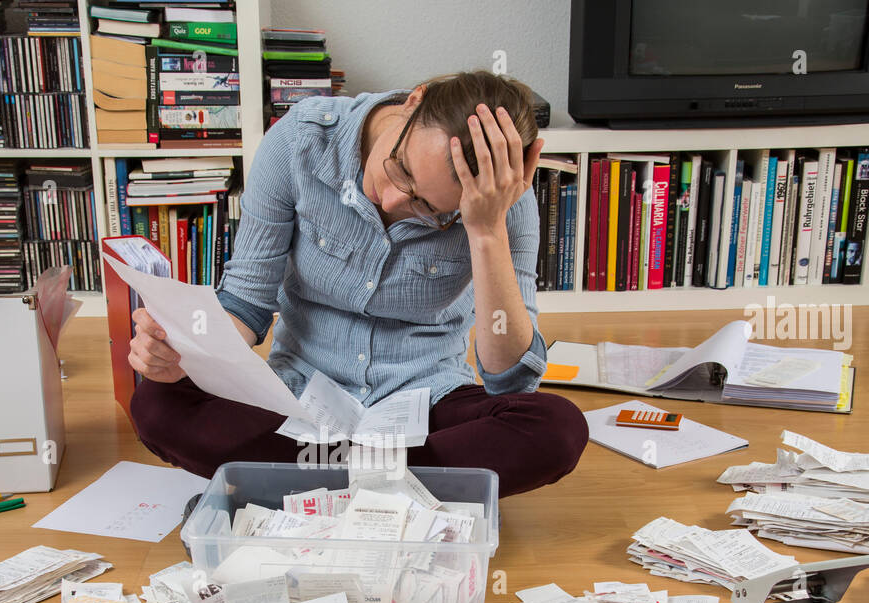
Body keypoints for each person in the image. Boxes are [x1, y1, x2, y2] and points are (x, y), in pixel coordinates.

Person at [127, 70, 588, 497]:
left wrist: (486, 232)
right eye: (400, 168)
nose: (389, 199)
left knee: (556, 428)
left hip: (427, 401)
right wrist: (184, 351)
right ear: (413, 101)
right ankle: (398, 488)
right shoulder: (299, 142)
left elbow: (510, 379)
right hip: (299, 397)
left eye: (428, 207)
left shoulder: (503, 197)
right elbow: (245, 303)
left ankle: (300, 483)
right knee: (158, 404)